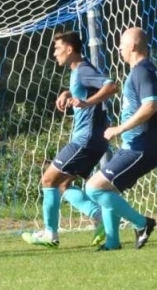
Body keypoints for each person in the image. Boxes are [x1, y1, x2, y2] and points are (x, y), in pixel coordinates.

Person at [23, 30, 119, 248]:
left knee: (48, 180)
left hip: (85, 139)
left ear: (69, 49)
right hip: (93, 140)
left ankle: (50, 234)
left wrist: (87, 102)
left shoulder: (83, 69)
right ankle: (99, 217)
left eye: (57, 48)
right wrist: (69, 94)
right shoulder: (79, 71)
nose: (54, 53)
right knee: (63, 185)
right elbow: (87, 89)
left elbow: (111, 85)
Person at [84, 27, 157, 251]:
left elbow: (151, 106)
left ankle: (142, 223)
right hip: (137, 146)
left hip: (140, 147)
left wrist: (120, 128)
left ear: (133, 46)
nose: (119, 49)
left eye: (121, 45)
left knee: (93, 188)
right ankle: (112, 243)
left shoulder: (142, 71)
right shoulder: (145, 70)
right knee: (107, 190)